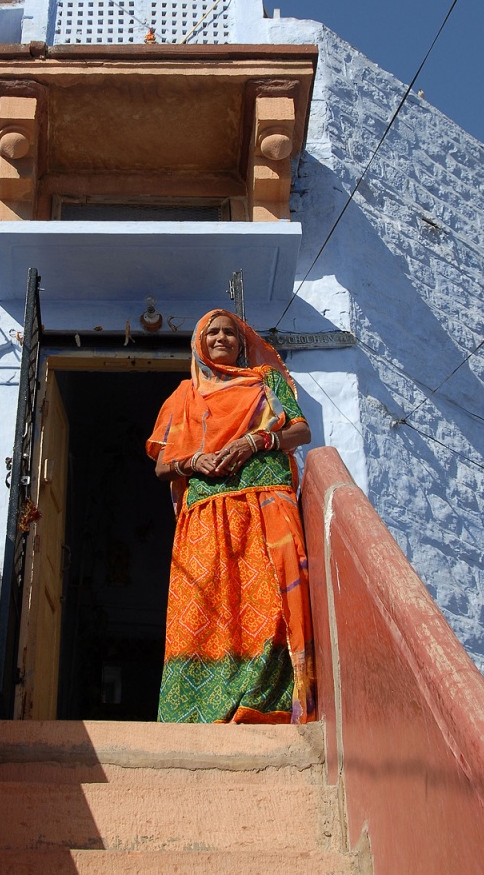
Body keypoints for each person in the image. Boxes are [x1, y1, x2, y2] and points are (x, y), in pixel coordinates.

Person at [147, 309, 315, 724]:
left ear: (242, 343)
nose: (222, 338)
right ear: (199, 344)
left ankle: (263, 704)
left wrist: (256, 441)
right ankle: (193, 713)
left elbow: (300, 431)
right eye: (212, 333)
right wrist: (196, 461)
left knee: (269, 604)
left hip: (263, 505)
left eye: (230, 333)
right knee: (203, 611)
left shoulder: (264, 381)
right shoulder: (183, 395)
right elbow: (162, 466)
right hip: (205, 514)